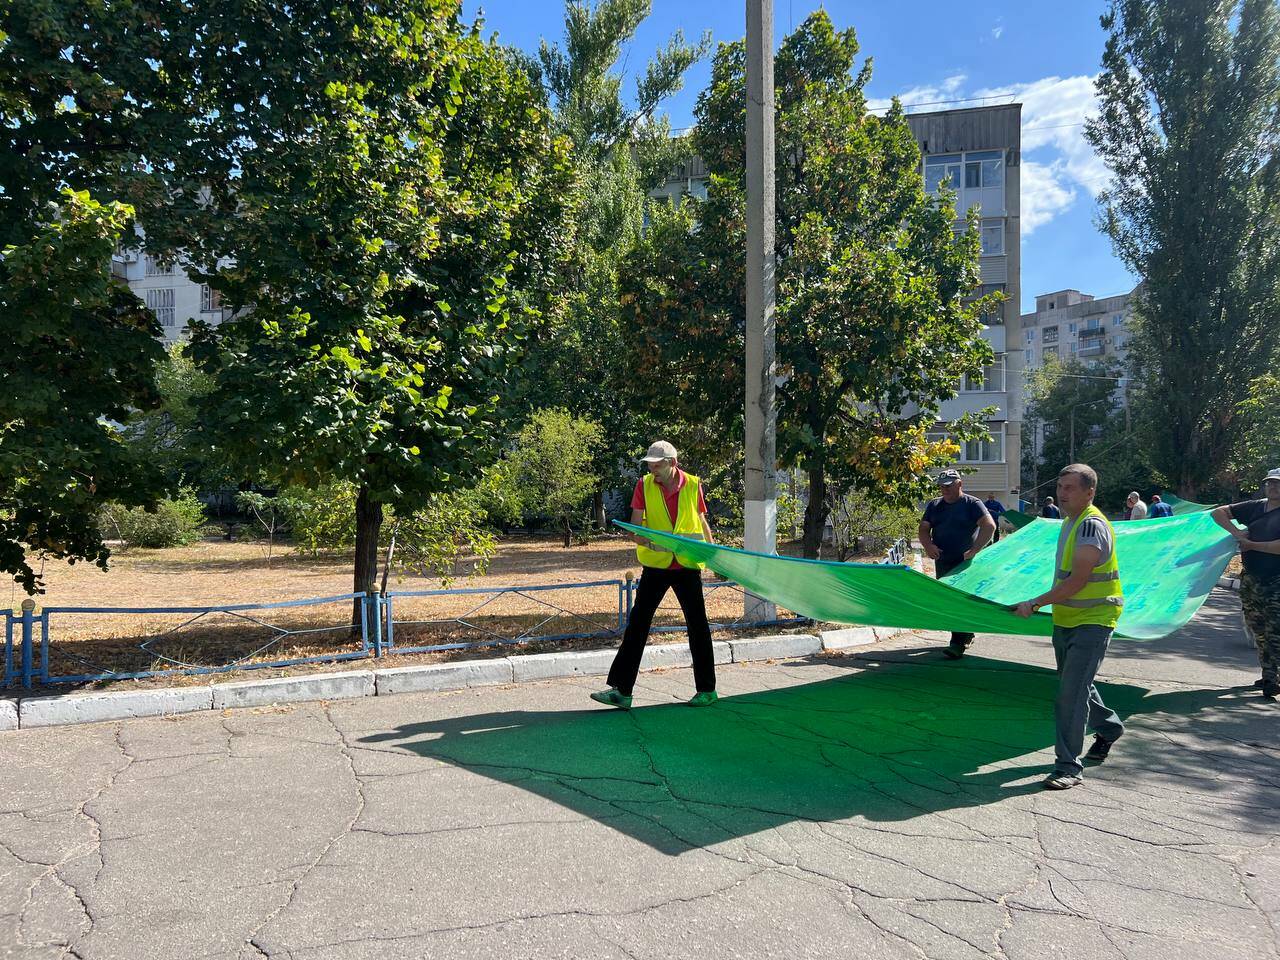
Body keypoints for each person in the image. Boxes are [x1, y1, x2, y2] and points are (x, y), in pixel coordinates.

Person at [1014, 463, 1125, 790]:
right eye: (1060, 487)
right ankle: (1109, 727)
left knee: (1069, 695)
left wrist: (1035, 603)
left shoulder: (1091, 526)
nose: (1062, 494)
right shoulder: (1069, 522)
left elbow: (1078, 580)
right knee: (1077, 686)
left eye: (1070, 488)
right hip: (1068, 619)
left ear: (1089, 492)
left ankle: (1068, 767)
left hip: (1094, 620)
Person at [590, 441, 718, 710]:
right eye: (649, 464)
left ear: (672, 462)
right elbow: (635, 528)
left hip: (687, 565)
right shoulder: (644, 485)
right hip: (657, 565)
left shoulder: (693, 484)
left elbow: (701, 520)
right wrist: (650, 543)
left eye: (656, 465)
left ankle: (707, 690)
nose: (652, 469)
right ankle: (622, 692)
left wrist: (714, 557)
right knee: (637, 625)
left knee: (698, 626)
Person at [1211, 468, 1280, 699]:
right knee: (1257, 627)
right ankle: (1269, 672)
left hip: (1276, 580)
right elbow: (1218, 513)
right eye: (1270, 483)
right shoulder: (1255, 507)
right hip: (1251, 578)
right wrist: (1238, 534)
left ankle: (1271, 677)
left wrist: (1252, 545)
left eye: (1277, 484)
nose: (1273, 487)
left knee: (1275, 631)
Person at [919, 470, 996, 659]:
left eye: (948, 485)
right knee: (948, 601)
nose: (944, 489)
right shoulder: (935, 505)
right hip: (943, 562)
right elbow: (923, 529)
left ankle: (957, 643)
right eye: (941, 486)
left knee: (959, 601)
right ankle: (965, 634)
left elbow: (989, 526)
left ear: (959, 484)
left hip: (965, 564)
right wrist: (928, 545)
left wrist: (975, 549)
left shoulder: (972, 504)